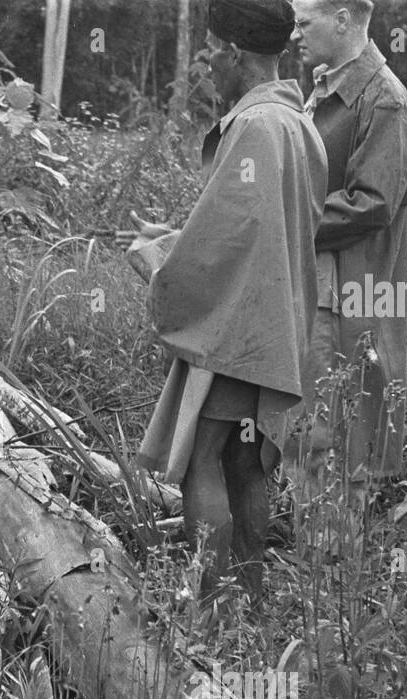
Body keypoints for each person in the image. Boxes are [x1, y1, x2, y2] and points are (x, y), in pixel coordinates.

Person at [129, 0, 327, 601]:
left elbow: (229, 249)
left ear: (236, 54)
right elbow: (257, 228)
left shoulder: (255, 127)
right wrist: (180, 237)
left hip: (236, 330)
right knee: (245, 460)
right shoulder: (298, 125)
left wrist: (158, 261)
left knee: (202, 461)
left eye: (211, 51)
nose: (205, 63)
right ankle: (253, 600)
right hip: (275, 324)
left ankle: (213, 608)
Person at [287, 0, 407, 517]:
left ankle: (331, 575)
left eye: (304, 22)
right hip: (321, 289)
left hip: (350, 297)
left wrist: (288, 220)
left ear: (342, 20)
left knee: (336, 444)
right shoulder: (327, 86)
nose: (294, 33)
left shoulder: (383, 99)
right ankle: (311, 571)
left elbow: (372, 203)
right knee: (309, 435)